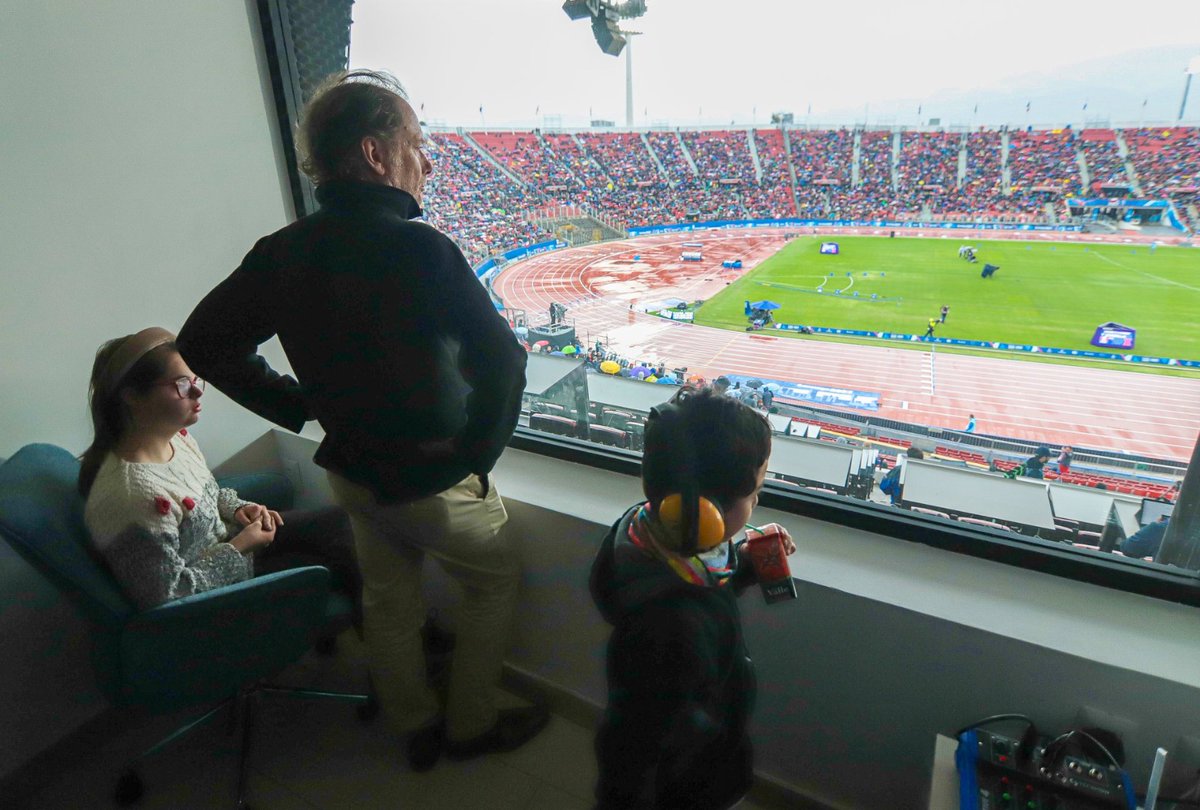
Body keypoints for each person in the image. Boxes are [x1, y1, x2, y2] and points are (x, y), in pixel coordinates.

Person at [176, 70, 542, 771]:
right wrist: (475, 455)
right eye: (415, 141)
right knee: (492, 585)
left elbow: (204, 343)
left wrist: (300, 406)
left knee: (388, 601)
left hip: (351, 473)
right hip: (433, 482)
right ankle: (470, 725)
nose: (427, 160)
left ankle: (414, 723)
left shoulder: (280, 251)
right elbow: (504, 362)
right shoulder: (421, 247)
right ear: (375, 154)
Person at [589, 388, 795, 810]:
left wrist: (743, 563)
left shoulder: (650, 535)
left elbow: (693, 582)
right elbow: (636, 751)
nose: (757, 502)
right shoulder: (672, 630)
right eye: (754, 493)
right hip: (691, 786)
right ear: (706, 513)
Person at [80, 328, 361, 625]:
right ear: (133, 397)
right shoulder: (133, 497)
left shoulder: (177, 439)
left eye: (196, 379)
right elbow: (170, 596)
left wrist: (239, 509)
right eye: (182, 384)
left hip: (236, 543)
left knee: (339, 524)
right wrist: (241, 546)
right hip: (223, 594)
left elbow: (209, 494)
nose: (198, 391)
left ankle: (370, 627)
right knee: (330, 568)